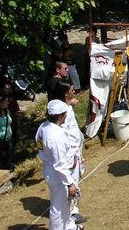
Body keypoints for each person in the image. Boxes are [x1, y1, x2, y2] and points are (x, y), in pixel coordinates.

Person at [35, 100, 81, 230]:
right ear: (60, 116)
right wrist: (69, 183)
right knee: (58, 206)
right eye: (65, 114)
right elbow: (59, 164)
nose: (67, 116)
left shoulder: (44, 127)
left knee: (64, 204)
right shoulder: (55, 136)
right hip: (57, 174)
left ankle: (68, 226)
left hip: (54, 170)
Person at [51, 80, 87, 224]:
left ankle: (72, 209)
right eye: (72, 90)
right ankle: (71, 212)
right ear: (65, 93)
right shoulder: (61, 112)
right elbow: (65, 134)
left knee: (75, 180)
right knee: (71, 182)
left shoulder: (67, 107)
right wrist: (71, 156)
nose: (74, 92)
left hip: (75, 150)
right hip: (70, 153)